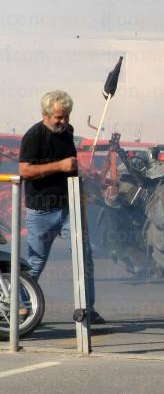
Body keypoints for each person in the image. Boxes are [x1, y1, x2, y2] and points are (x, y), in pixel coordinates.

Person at [19, 90, 105, 324]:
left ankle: (88, 309)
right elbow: (25, 171)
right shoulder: (33, 136)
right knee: (35, 262)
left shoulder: (68, 133)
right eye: (59, 117)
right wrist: (60, 166)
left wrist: (82, 205)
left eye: (66, 116)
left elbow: (73, 170)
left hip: (70, 208)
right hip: (41, 211)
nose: (64, 122)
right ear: (45, 114)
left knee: (83, 258)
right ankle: (21, 305)